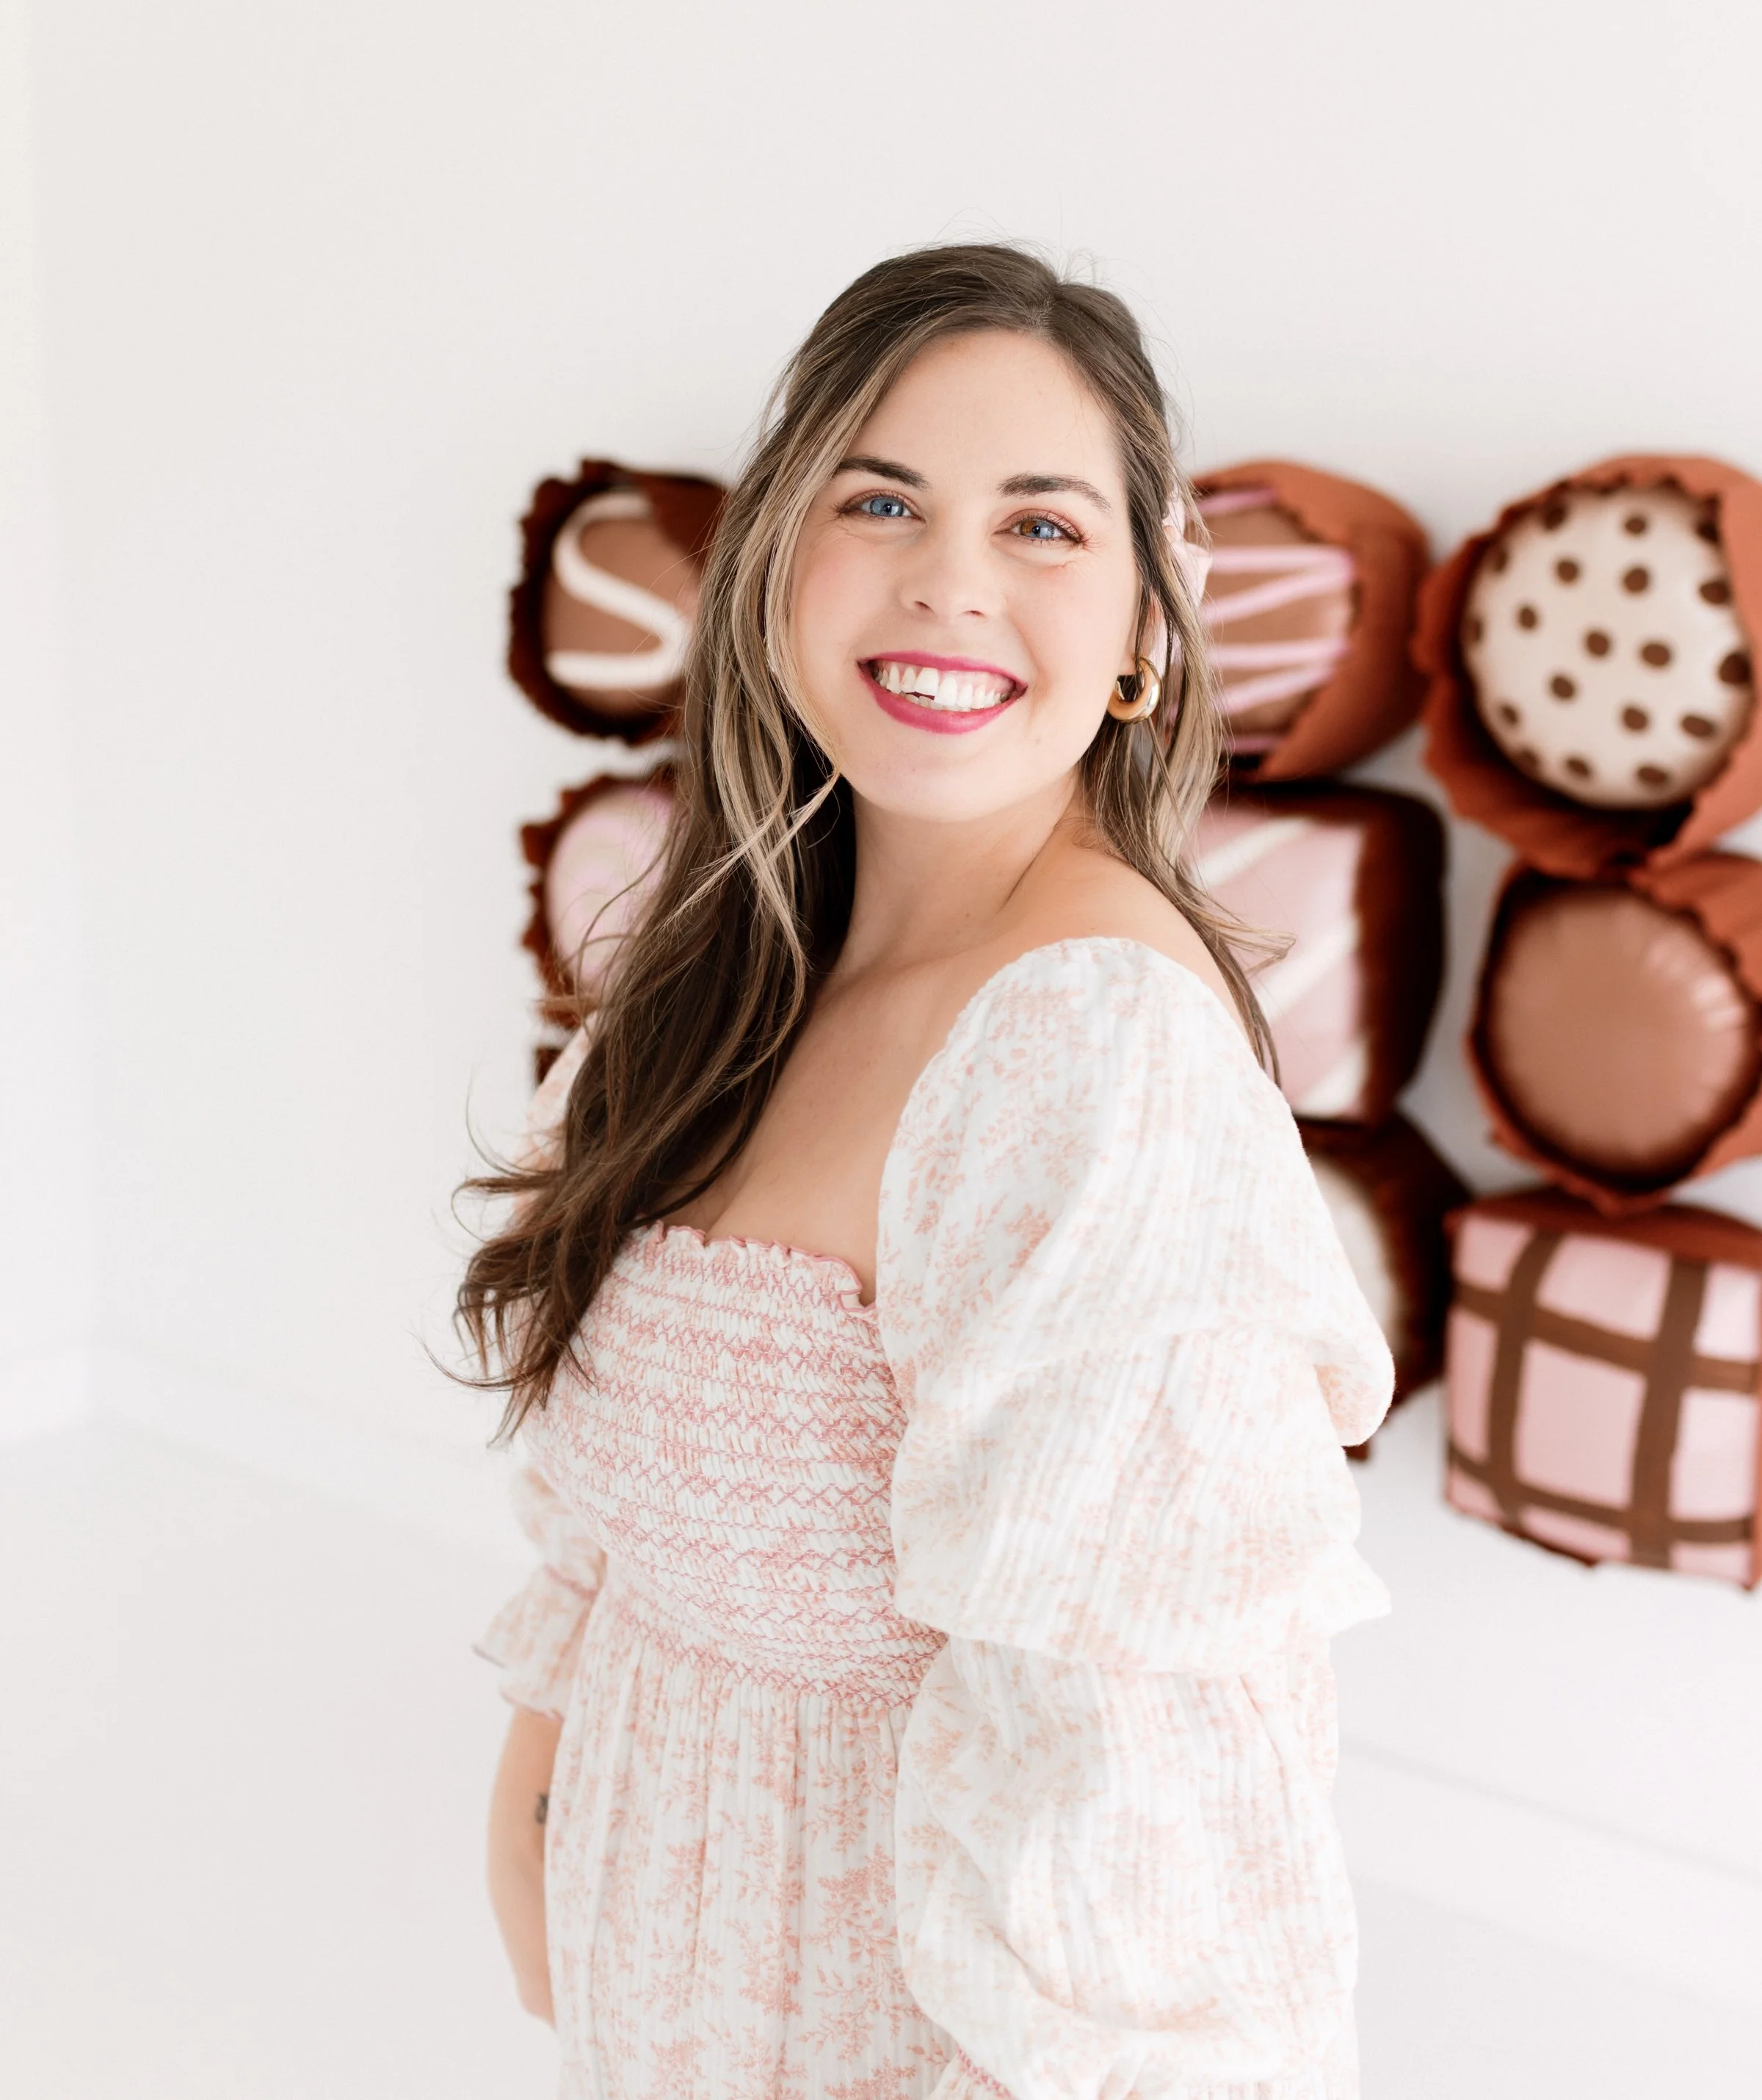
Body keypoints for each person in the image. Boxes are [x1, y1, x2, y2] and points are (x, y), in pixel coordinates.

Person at [456, 242, 1393, 2100]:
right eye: (879, 499)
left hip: (899, 2028)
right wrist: (549, 1831)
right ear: (775, 567)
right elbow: (614, 1541)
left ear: (1148, 629)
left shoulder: (1090, 1050)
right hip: (666, 1968)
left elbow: (1143, 1793)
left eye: (1042, 525)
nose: (950, 580)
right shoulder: (727, 967)